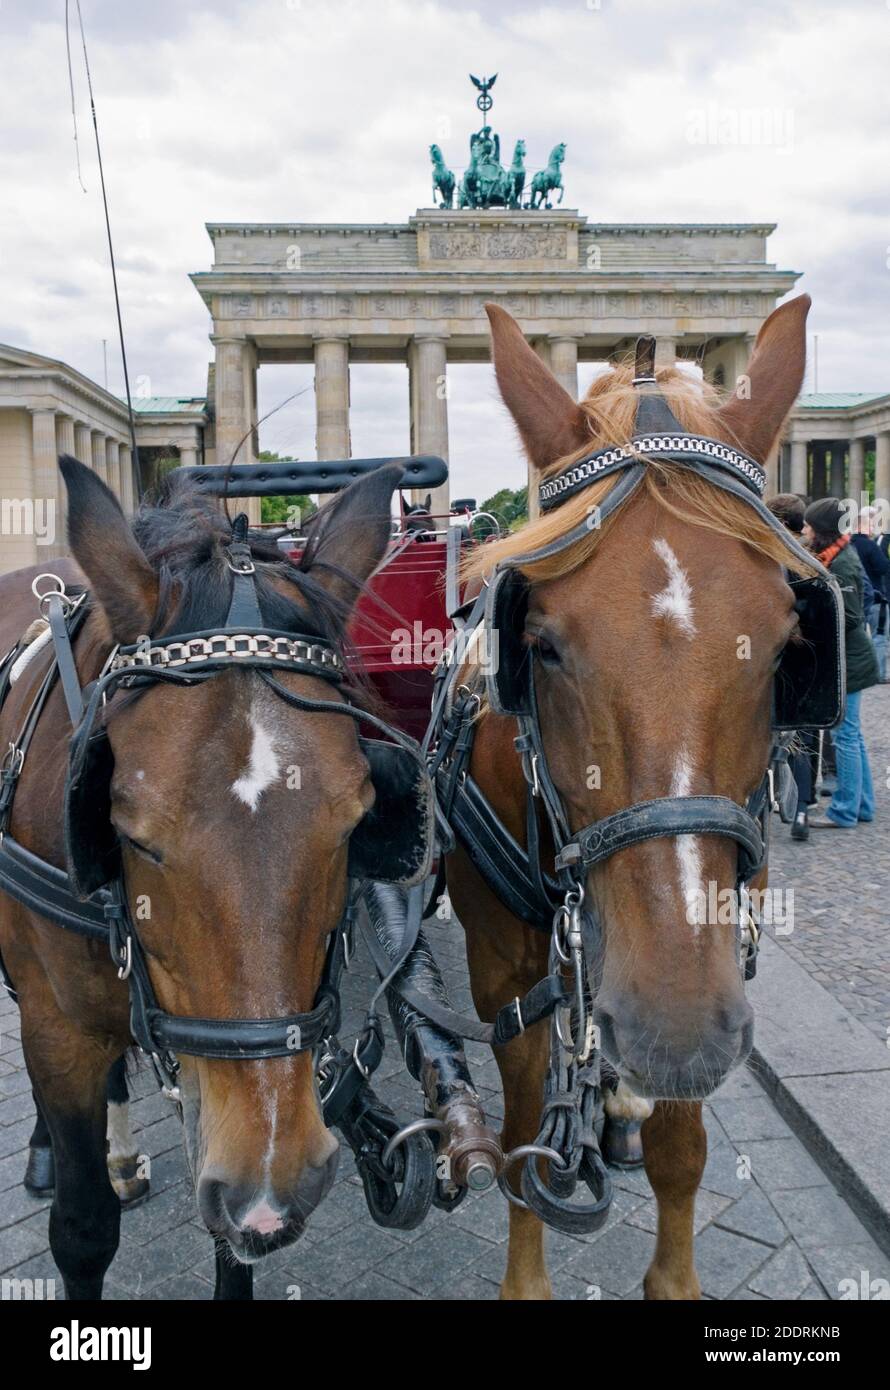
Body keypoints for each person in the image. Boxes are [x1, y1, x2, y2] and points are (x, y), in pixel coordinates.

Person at [802, 498, 879, 828]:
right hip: (851, 658)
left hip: (850, 660)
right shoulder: (836, 555)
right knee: (853, 736)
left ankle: (845, 811)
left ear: (821, 531)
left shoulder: (843, 563)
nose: (804, 531)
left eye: (808, 526)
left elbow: (848, 617)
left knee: (844, 736)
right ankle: (863, 805)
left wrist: (810, 619)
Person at [766, 494, 818, 840]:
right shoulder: (811, 558)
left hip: (779, 663)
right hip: (806, 669)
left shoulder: (772, 556)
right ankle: (801, 808)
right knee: (801, 739)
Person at [853, 505, 890, 682]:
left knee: (857, 635)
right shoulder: (870, 545)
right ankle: (879, 673)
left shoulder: (847, 544)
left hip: (854, 598)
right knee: (879, 635)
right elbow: (883, 567)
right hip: (875, 596)